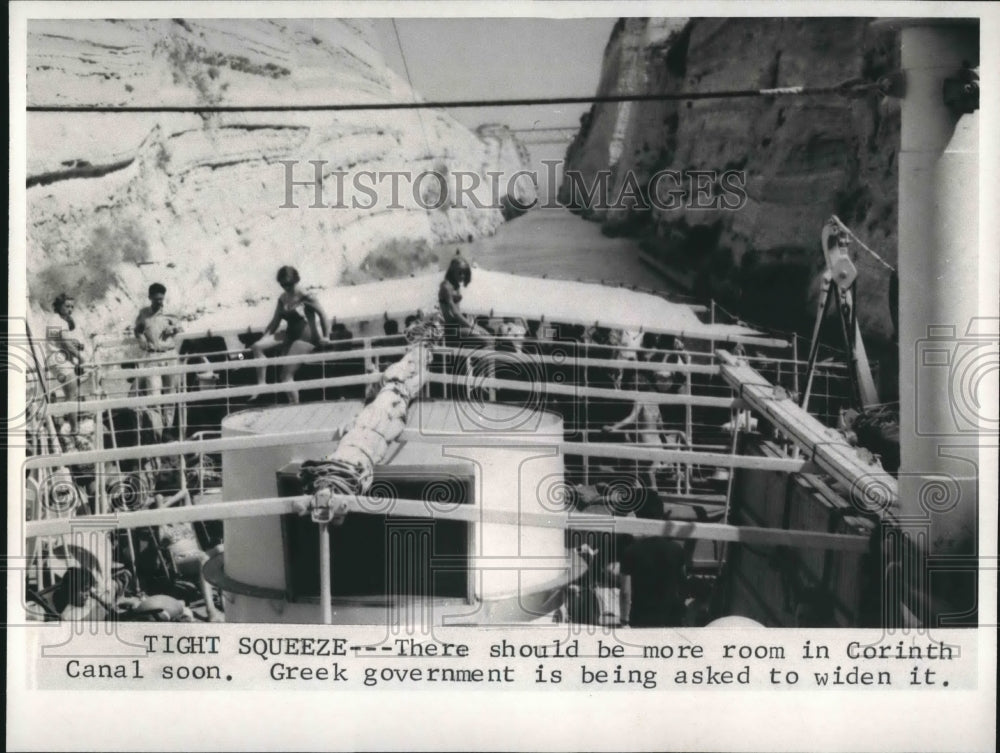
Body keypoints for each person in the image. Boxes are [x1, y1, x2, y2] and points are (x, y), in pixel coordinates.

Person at [249, 266, 330, 404]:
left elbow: (322, 315)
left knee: (285, 377)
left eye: (288, 283)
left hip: (306, 337)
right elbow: (275, 322)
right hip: (290, 335)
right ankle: (261, 385)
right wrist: (264, 339)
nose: (286, 287)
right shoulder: (283, 299)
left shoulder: (306, 295)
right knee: (257, 347)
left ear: (295, 280)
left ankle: (295, 407)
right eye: (282, 284)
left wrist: (327, 336)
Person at [134, 283, 183, 429]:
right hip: (153, 356)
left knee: (170, 394)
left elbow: (180, 327)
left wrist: (173, 328)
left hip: (169, 355)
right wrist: (142, 341)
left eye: (161, 299)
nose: (159, 302)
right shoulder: (143, 314)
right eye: (156, 299)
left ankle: (168, 427)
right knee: (154, 395)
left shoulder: (171, 312)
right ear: (150, 298)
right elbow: (137, 330)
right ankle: (157, 430)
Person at [44, 294, 92, 431]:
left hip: (57, 360)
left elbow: (62, 341)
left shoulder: (54, 320)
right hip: (59, 361)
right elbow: (66, 344)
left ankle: (69, 424)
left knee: (72, 393)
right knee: (71, 395)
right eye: (67, 306)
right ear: (59, 306)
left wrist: (74, 346)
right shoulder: (60, 321)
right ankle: (74, 429)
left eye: (72, 306)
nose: (70, 309)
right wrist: (82, 359)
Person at [619, 535, 687, 627]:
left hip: (641, 617)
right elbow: (683, 583)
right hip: (670, 617)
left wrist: (624, 619)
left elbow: (625, 592)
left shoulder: (630, 551)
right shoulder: (677, 549)